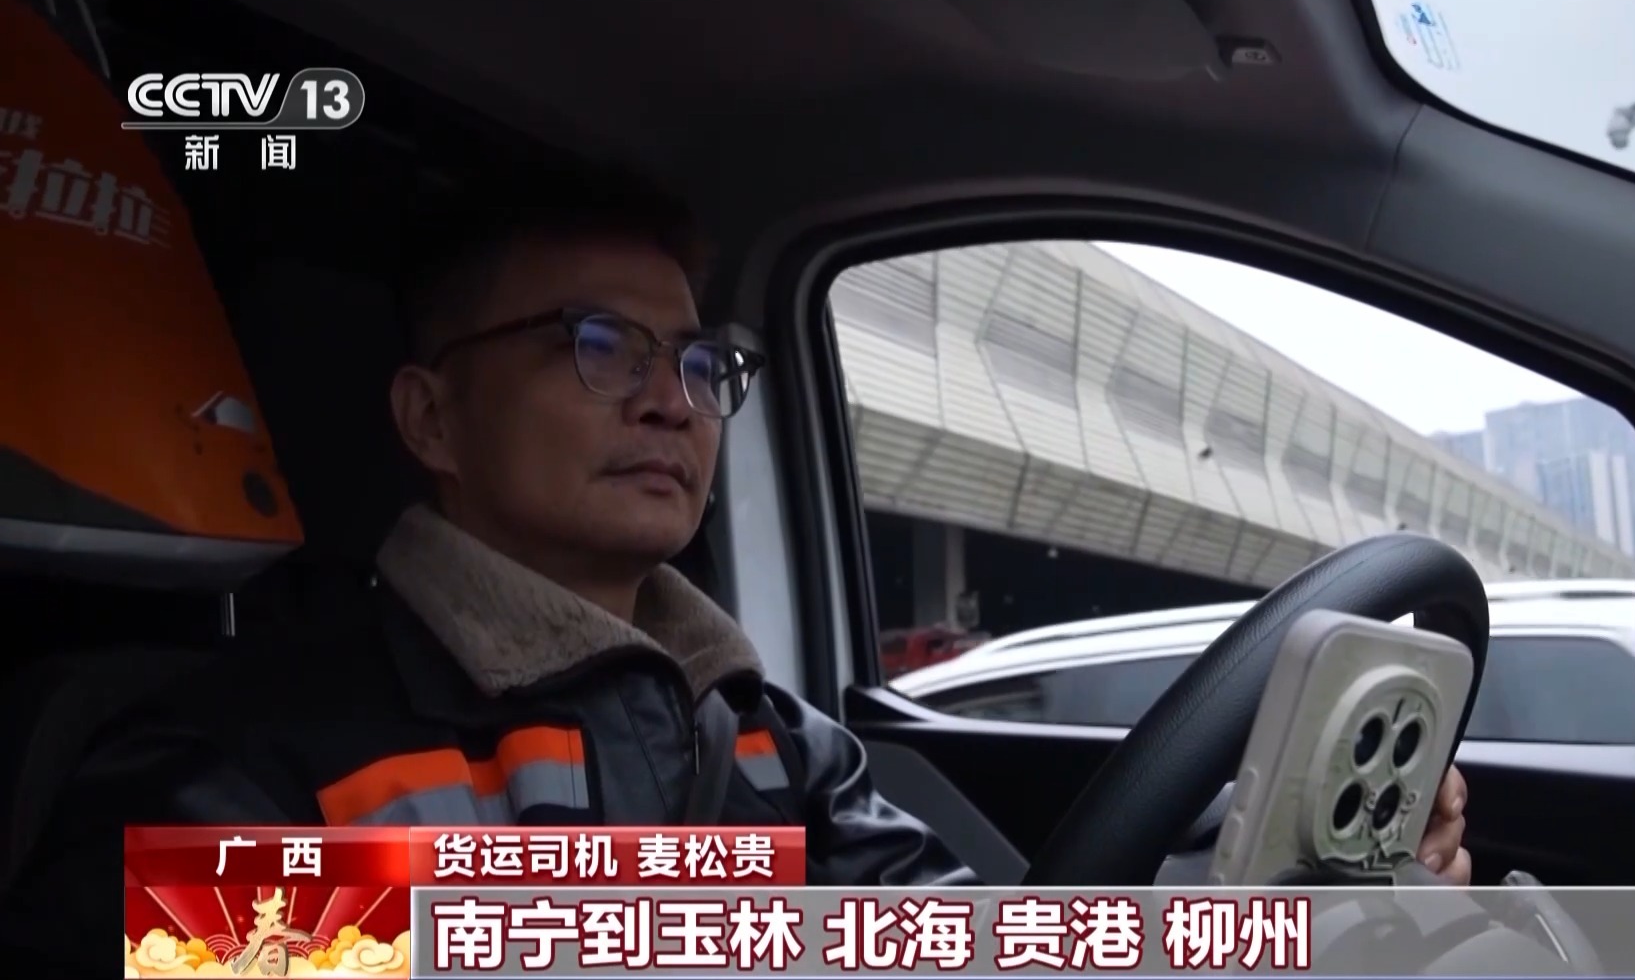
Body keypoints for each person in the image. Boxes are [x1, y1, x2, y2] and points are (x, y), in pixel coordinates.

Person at [5, 172, 1469, 971]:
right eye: (599, 347)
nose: (673, 401)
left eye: (700, 364)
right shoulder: (267, 747)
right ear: (430, 418)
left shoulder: (774, 741)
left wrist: (1265, 886)